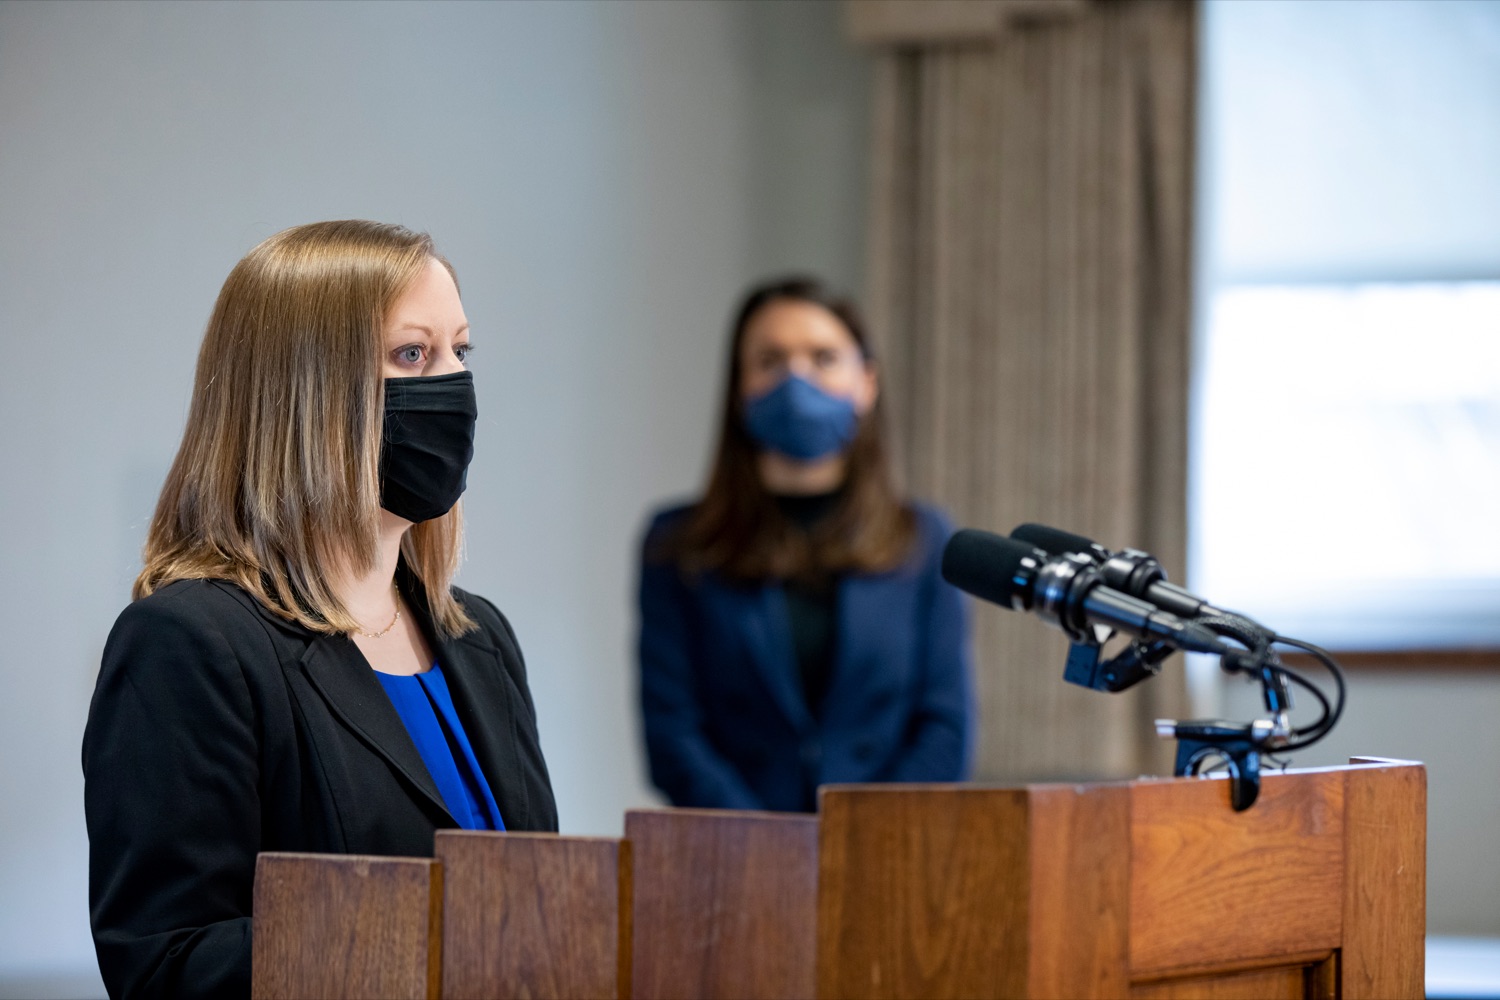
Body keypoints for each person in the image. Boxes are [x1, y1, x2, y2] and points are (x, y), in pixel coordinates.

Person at [82, 221, 556, 1000]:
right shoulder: (190, 643)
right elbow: (168, 963)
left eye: (459, 353)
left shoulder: (483, 640)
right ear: (307, 392)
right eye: (413, 354)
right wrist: (432, 940)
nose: (454, 386)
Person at [637, 276, 973, 813]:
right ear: (739, 386)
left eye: (823, 357)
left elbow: (944, 730)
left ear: (867, 381)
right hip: (729, 860)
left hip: (886, 856)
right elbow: (673, 736)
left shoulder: (923, 540)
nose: (797, 379)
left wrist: (856, 840)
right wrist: (768, 851)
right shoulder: (678, 545)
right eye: (770, 359)